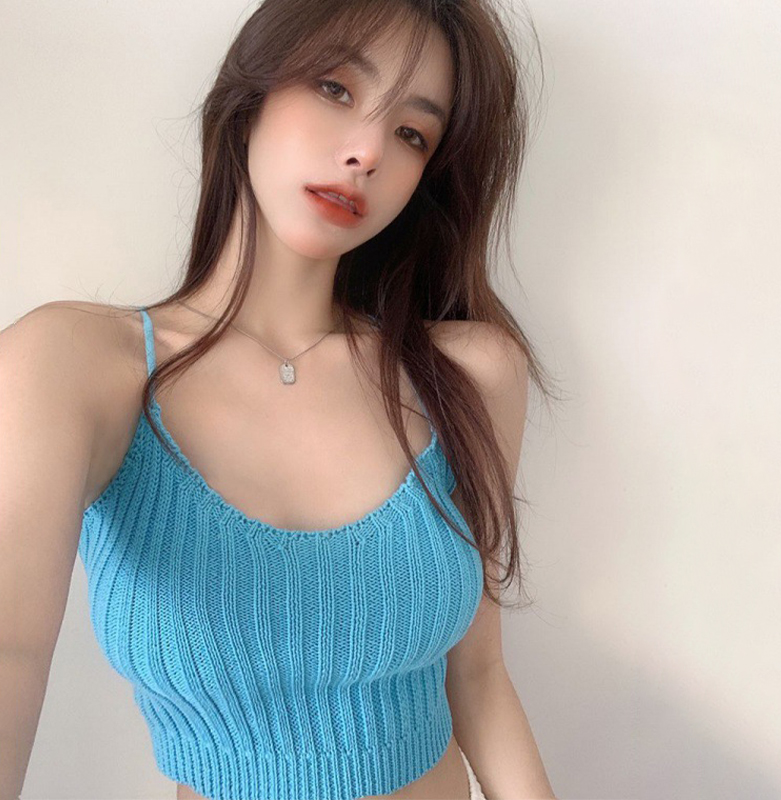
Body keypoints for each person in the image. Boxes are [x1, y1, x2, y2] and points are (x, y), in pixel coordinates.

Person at [0, 0, 562, 798]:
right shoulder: (74, 366)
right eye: (336, 88)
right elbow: (10, 651)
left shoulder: (467, 375)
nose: (367, 151)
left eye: (411, 133)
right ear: (252, 90)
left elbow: (478, 675)